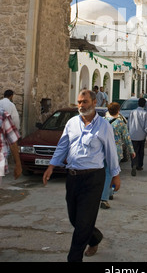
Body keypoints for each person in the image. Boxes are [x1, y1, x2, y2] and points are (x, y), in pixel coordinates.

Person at [43, 89, 121, 262]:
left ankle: (74, 258)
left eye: (84, 102)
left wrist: (115, 175)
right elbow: (63, 146)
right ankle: (95, 237)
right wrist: (51, 166)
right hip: (72, 177)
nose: (81, 105)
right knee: (75, 218)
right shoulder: (71, 123)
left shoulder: (104, 126)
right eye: (79, 102)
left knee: (84, 221)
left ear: (94, 102)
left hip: (93, 178)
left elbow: (111, 152)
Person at [101, 102, 135, 207]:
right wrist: (131, 151)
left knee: (107, 173)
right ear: (118, 111)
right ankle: (104, 198)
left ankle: (110, 192)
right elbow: (126, 138)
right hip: (116, 151)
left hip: (103, 150)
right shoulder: (121, 123)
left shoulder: (102, 122)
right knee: (110, 173)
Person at [127, 97, 147, 176]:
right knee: (141, 151)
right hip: (141, 135)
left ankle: (133, 164)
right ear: (144, 105)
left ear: (138, 104)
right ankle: (139, 166)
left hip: (133, 134)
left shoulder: (132, 112)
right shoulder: (145, 113)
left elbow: (128, 123)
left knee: (133, 151)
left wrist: (128, 132)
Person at [0, 108, 22, 186]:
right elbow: (13, 141)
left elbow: (13, 141)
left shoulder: (3, 114)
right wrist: (18, 164)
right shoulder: (3, 114)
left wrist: (18, 164)